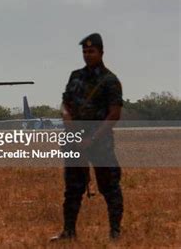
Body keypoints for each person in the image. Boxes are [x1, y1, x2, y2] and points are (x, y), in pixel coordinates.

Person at [51, 33, 124, 241]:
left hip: (100, 142)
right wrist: (65, 115)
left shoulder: (110, 81)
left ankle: (115, 234)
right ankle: (69, 232)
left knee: (109, 187)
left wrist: (92, 139)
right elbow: (65, 102)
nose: (87, 55)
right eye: (84, 51)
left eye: (91, 51)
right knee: (73, 188)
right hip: (74, 138)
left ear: (101, 52)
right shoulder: (75, 76)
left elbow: (114, 114)